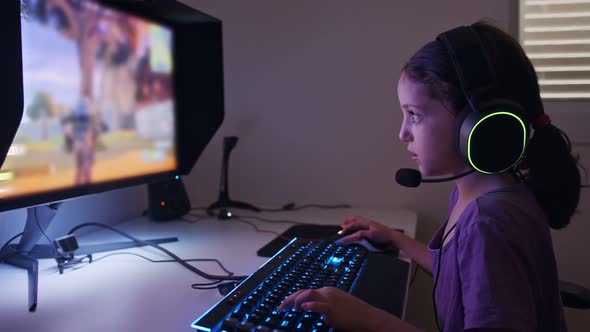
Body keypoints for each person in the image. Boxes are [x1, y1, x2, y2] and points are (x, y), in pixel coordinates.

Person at [278, 21, 583, 332]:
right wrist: (397, 239)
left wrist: (369, 319)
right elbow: (460, 274)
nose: (402, 133)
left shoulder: (488, 224)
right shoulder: (480, 195)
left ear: (478, 125)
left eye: (415, 115)